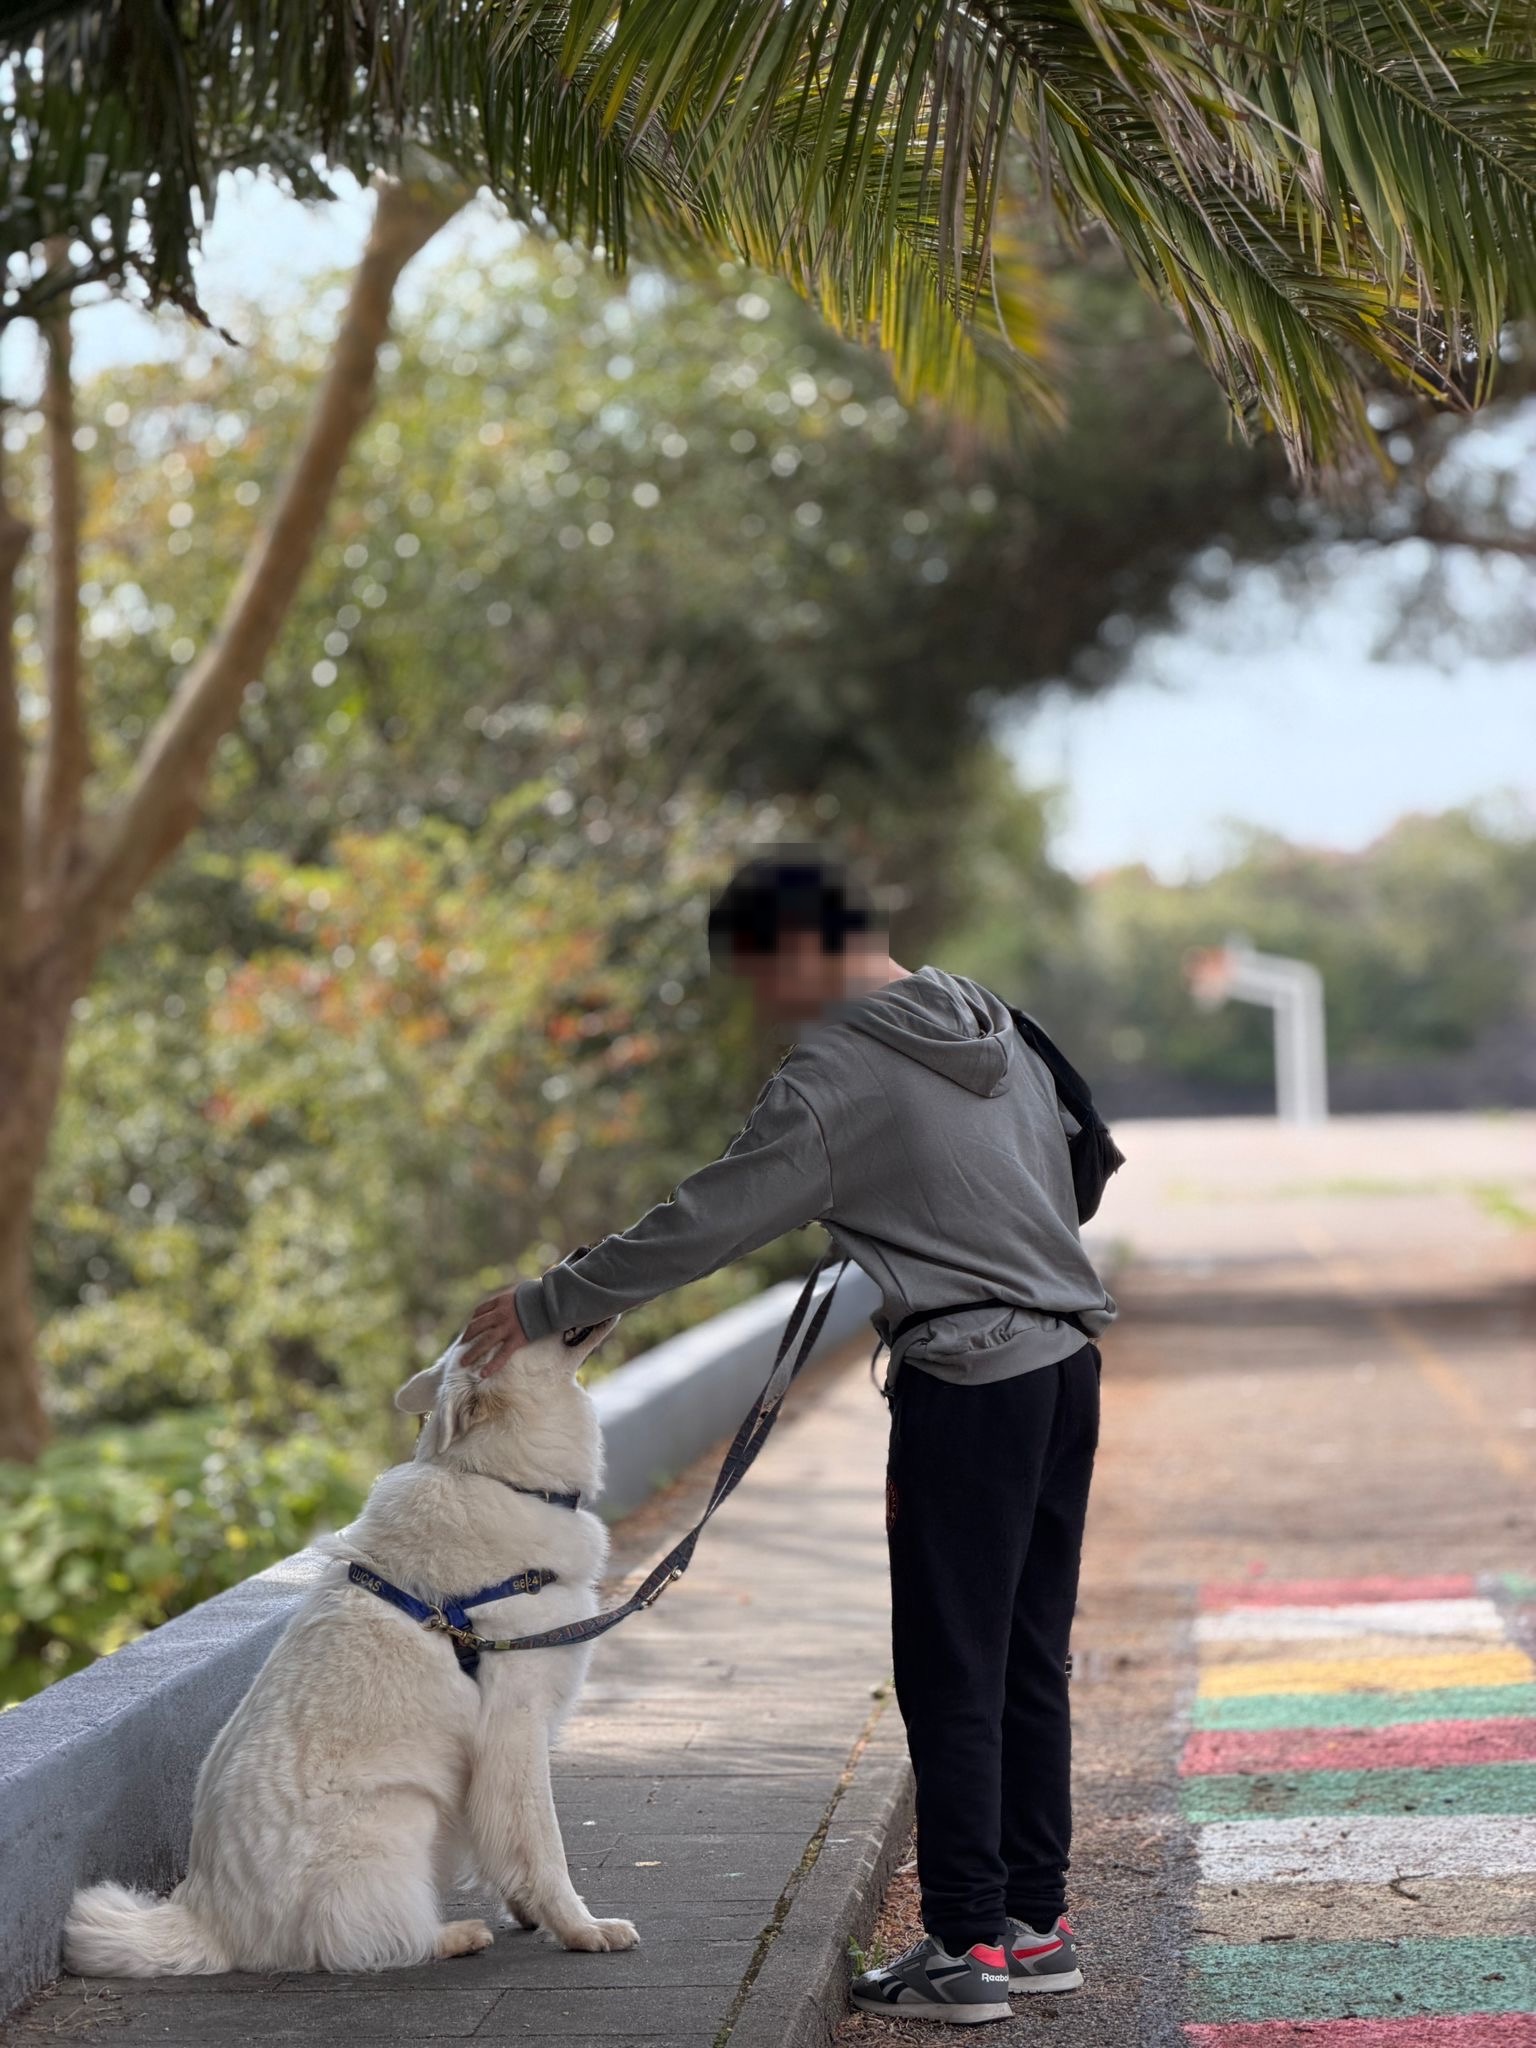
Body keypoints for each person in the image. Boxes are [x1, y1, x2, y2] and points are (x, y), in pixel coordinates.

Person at [460, 848, 1116, 2025]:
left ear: (799, 948)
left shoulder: (840, 1064)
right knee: (1025, 1654)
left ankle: (968, 1946)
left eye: (759, 979)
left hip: (967, 1384)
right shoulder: (990, 1020)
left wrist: (551, 1299)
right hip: (1066, 1369)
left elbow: (706, 1216)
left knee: (951, 1664)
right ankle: (1035, 1920)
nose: (764, 1008)